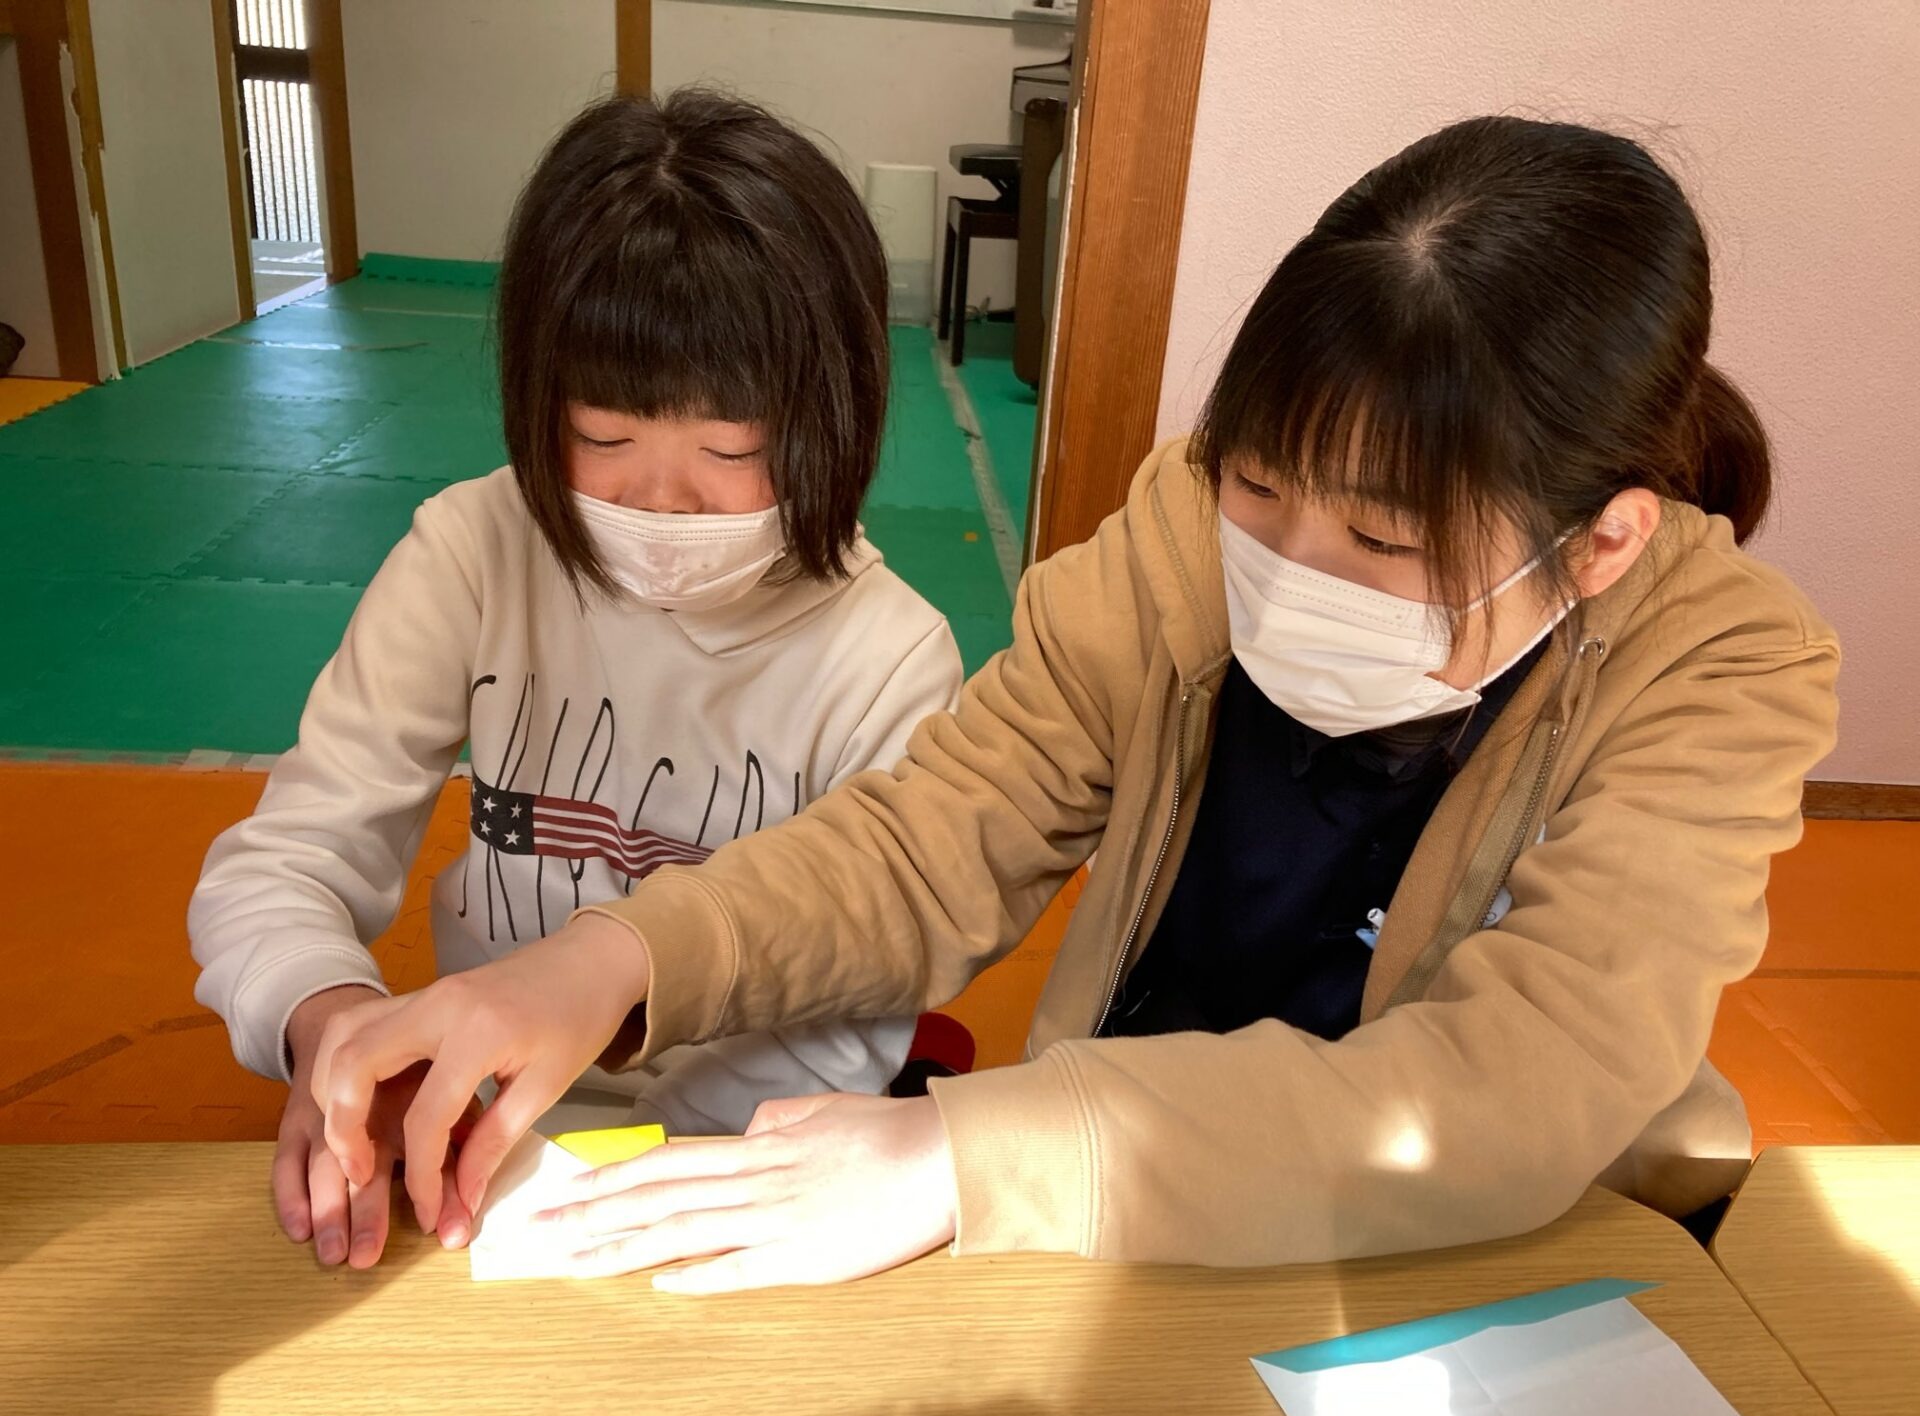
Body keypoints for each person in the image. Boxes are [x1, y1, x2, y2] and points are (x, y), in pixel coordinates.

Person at [307, 116, 1839, 1293]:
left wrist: (970, 1156)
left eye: (1379, 542)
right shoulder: (1181, 536)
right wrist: (612, 960)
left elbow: (1510, 1093)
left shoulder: (1717, 667)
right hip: (1109, 1205)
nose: (1289, 566)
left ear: (1604, 541)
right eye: (1258, 485)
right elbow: (932, 840)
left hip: (1472, 1252)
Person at [189, 90, 964, 1270]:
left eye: (728, 451)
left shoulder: (887, 656)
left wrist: (600, 1150)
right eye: (603, 438)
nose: (661, 498)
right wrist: (336, 1031)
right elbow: (288, 856)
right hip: (477, 1142)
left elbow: (856, 1008)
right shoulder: (473, 553)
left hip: (735, 1161)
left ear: (833, 418)